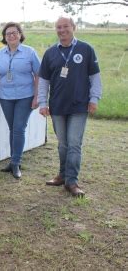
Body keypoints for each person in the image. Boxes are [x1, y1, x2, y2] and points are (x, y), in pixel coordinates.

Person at [38, 16, 102, 197]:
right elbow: (43, 81)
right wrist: (43, 102)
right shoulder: (50, 53)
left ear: (73, 27)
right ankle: (62, 175)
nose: (62, 30)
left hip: (79, 105)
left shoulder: (86, 49)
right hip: (57, 106)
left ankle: (72, 182)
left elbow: (95, 77)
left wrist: (94, 98)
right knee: (63, 144)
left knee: (74, 144)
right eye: (58, 27)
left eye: (65, 26)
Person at [0, 22, 41, 179]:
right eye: (8, 34)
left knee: (18, 128)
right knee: (13, 129)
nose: (11, 35)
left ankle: (16, 163)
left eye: (14, 32)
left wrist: (37, 96)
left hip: (25, 96)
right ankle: (13, 161)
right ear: (4, 37)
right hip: (6, 97)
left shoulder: (30, 52)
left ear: (20, 34)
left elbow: (39, 75)